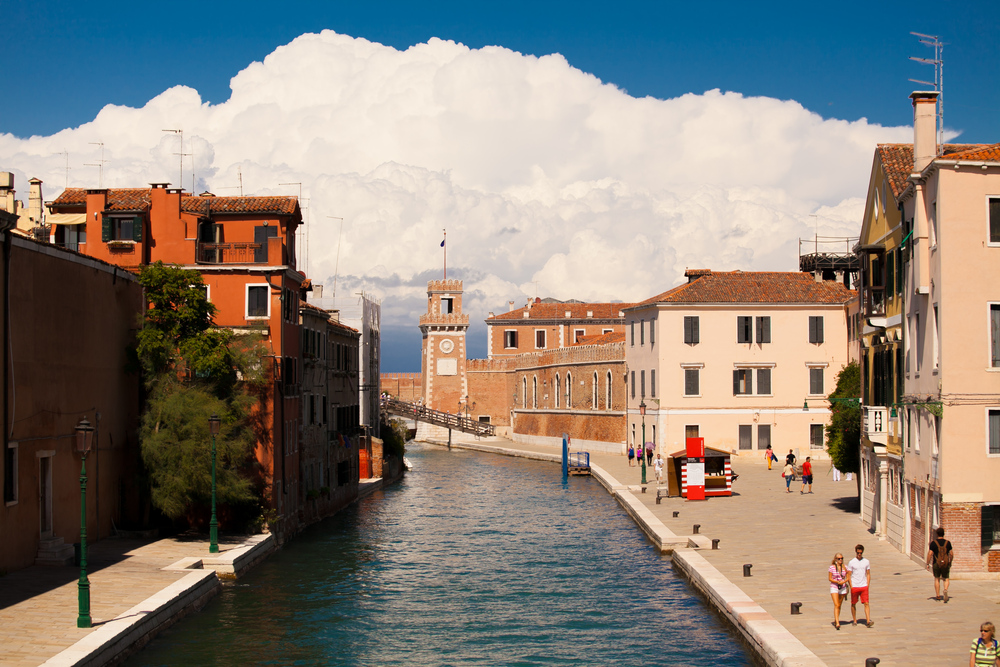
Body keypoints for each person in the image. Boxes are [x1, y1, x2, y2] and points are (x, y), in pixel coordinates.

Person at [847, 544, 873, 627]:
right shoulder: (851, 562)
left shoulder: (866, 561)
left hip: (863, 585)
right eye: (858, 553)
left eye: (861, 553)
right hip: (855, 586)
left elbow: (868, 573)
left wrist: (867, 584)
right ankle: (854, 620)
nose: (859, 554)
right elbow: (849, 575)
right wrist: (851, 586)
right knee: (853, 603)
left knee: (866, 603)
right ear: (856, 552)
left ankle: (868, 621)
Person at [927, 526, 954, 602]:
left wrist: (927, 563)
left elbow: (930, 554)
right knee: (946, 578)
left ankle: (938, 595)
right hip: (945, 563)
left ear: (937, 534)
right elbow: (951, 554)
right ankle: (945, 589)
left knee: (937, 579)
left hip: (936, 563)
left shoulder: (933, 543)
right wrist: (950, 562)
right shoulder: (948, 543)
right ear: (943, 534)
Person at [828, 553, 849, 630]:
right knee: (836, 604)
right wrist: (837, 582)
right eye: (839, 558)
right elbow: (830, 578)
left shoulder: (845, 567)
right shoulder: (832, 567)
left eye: (842, 558)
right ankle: (837, 622)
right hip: (834, 586)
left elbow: (849, 577)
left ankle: (836, 619)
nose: (841, 560)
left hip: (842, 587)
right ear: (836, 559)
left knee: (839, 604)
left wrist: (844, 581)